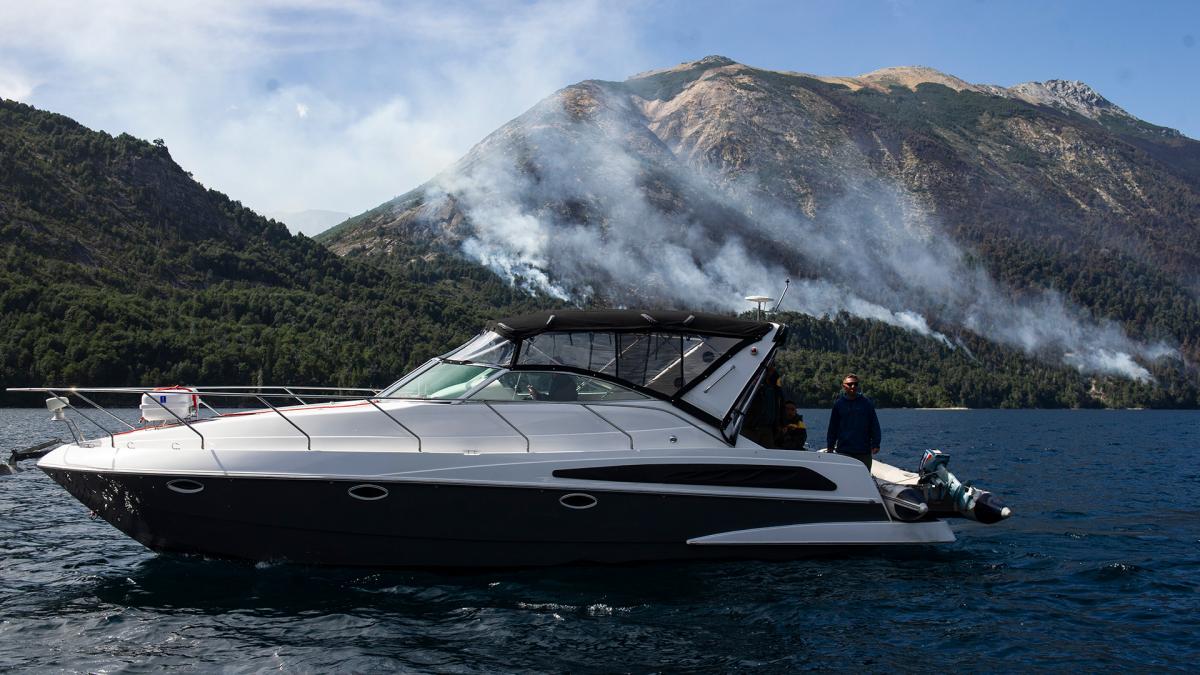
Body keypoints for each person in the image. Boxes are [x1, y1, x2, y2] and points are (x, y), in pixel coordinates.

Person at [825, 373, 880, 469]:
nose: (853, 386)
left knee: (863, 480)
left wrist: (876, 443)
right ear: (844, 386)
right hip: (844, 450)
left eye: (855, 384)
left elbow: (874, 424)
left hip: (863, 452)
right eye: (850, 384)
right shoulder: (838, 405)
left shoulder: (866, 403)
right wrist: (830, 446)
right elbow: (833, 427)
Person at [742, 362, 783, 447]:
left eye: (773, 366)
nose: (772, 369)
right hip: (752, 428)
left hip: (768, 428)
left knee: (768, 455)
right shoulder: (752, 383)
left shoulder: (774, 386)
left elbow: (780, 405)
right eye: (770, 366)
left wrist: (779, 424)